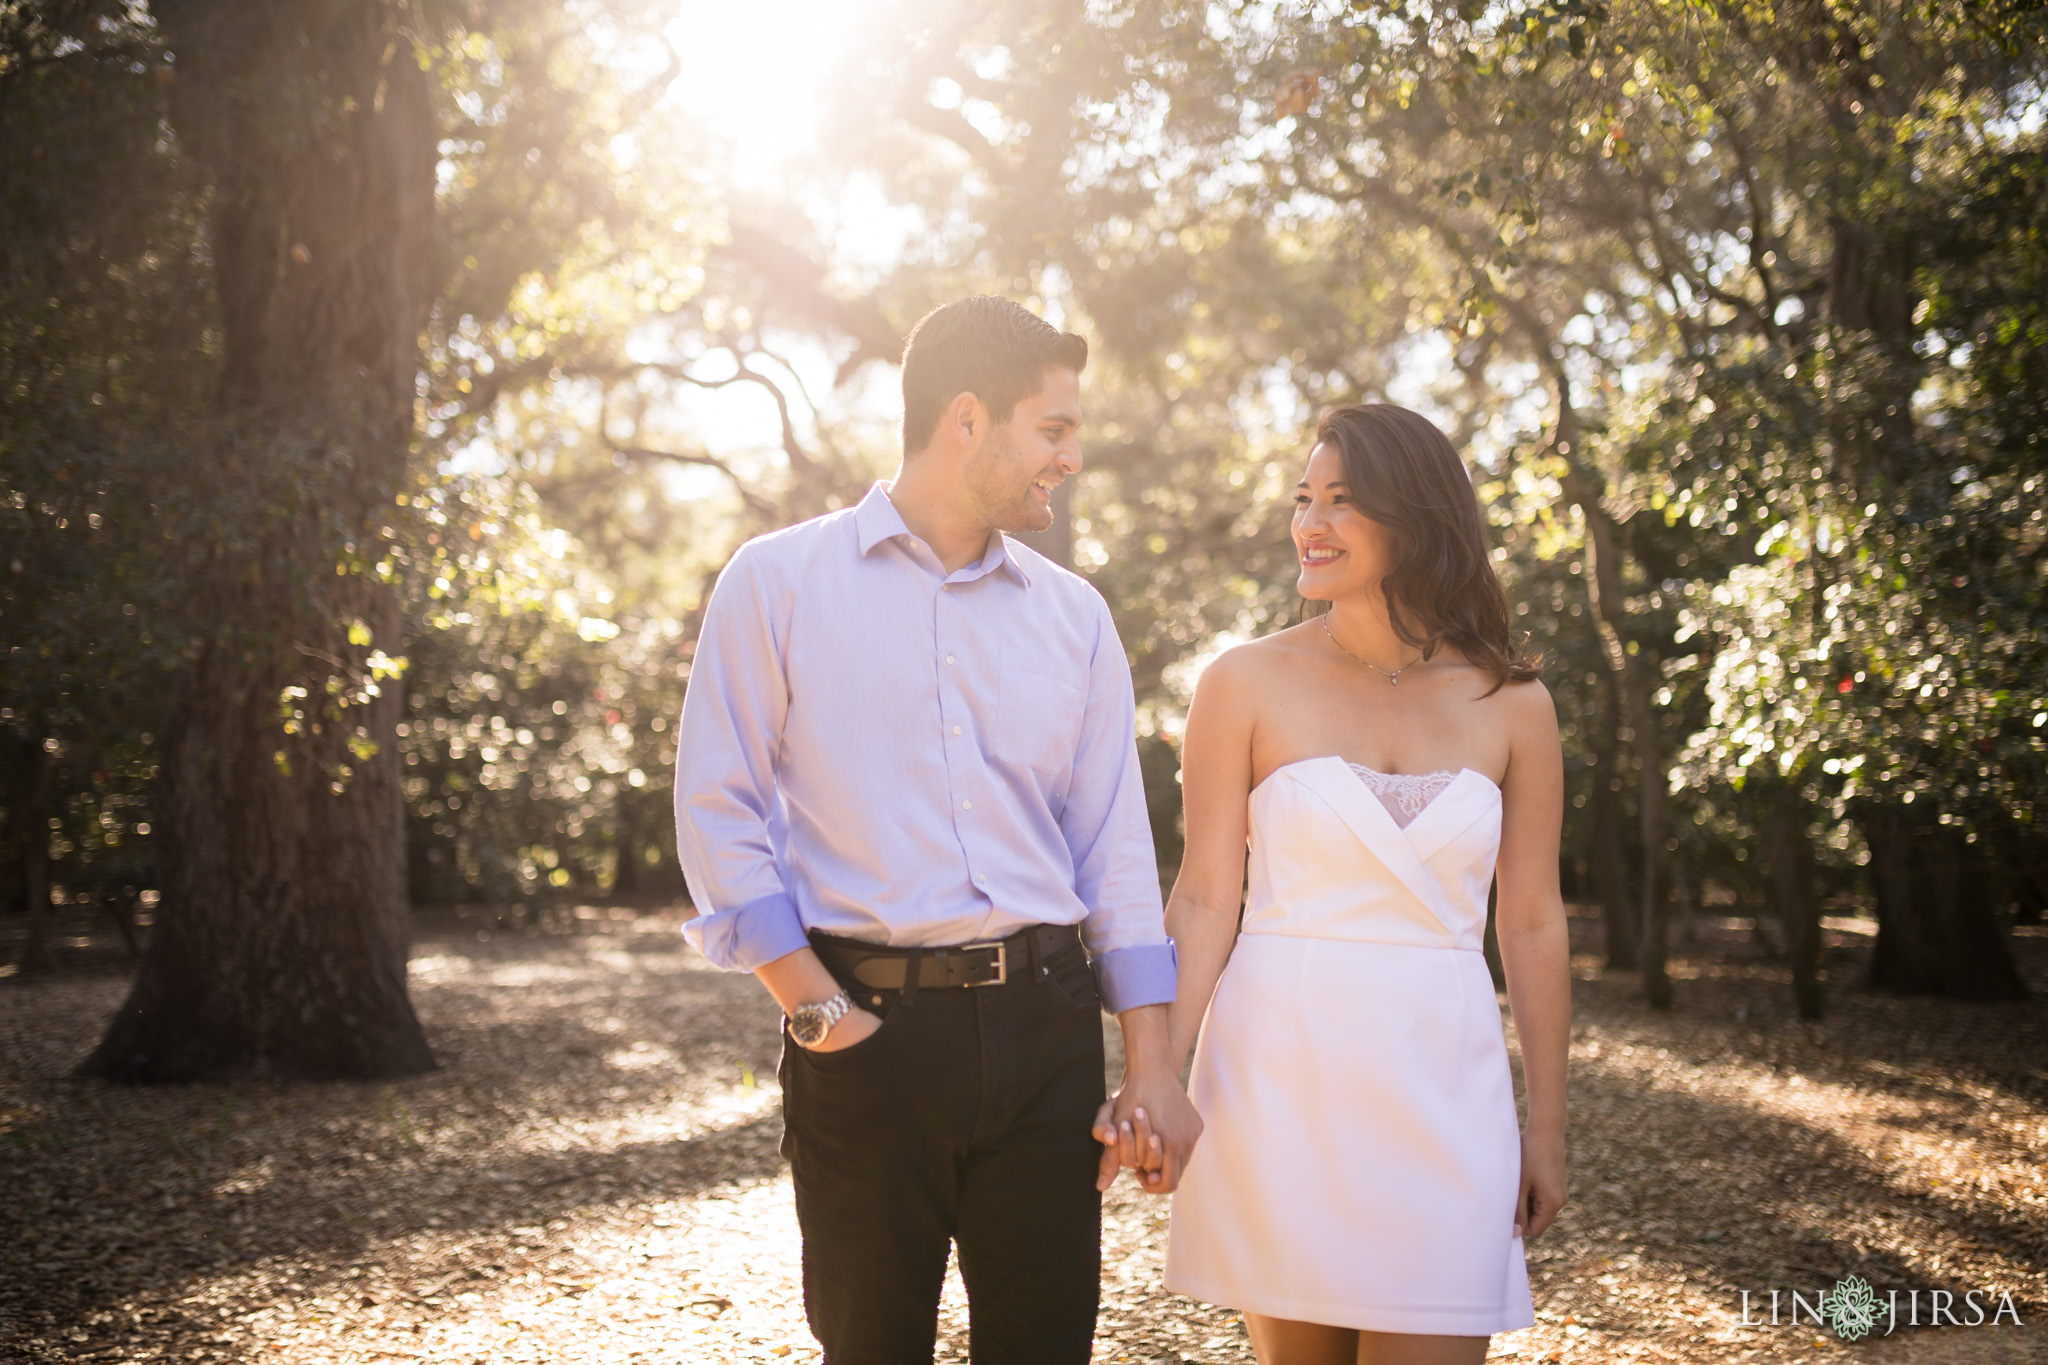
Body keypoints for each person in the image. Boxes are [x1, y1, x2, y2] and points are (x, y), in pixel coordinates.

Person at [671, 295, 1201, 1365]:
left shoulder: (1074, 617)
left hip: (1046, 1038)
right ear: (969, 417)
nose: (1071, 457)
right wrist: (820, 1017)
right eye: (1053, 429)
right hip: (865, 1036)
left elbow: (1113, 852)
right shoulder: (775, 584)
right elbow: (714, 809)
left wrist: (1150, 1067)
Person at [1154, 403, 1570, 1365]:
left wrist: (1545, 1127)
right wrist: (1159, 1074)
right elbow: (1208, 896)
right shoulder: (1242, 682)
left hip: (1446, 1083)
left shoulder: (1515, 703)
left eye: (1342, 501)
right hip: (1276, 1078)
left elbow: (1536, 923)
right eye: (1304, 499)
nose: (1311, 523)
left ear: (1416, 517)